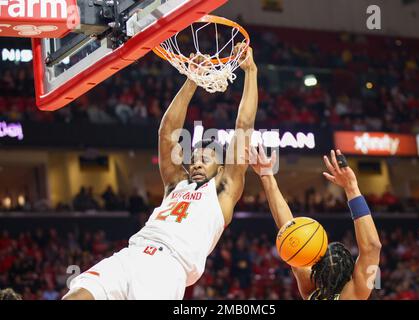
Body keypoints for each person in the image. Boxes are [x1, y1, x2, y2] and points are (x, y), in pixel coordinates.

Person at [62, 43, 258, 300]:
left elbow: (243, 125)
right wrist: (192, 79)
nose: (197, 163)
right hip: (132, 252)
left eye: (206, 159)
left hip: (167, 267)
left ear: (221, 167)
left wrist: (251, 72)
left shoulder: (223, 190)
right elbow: (166, 133)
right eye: (194, 158)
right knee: (75, 296)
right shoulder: (176, 184)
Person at [249, 147, 382, 300]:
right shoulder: (353, 295)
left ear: (316, 272)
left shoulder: (310, 290)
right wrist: (352, 188)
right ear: (351, 274)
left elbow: (289, 229)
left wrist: (267, 176)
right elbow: (372, 246)